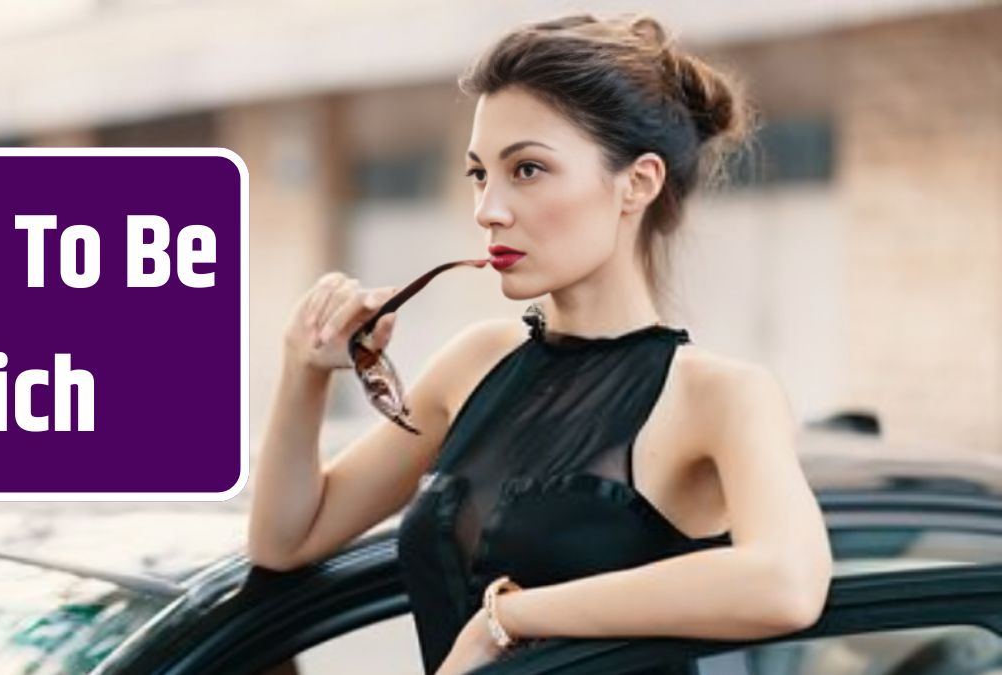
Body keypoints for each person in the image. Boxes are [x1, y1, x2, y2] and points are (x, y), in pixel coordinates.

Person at [246, 12, 833, 675]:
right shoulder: (476, 364)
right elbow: (284, 538)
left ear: (637, 183)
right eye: (479, 174)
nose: (488, 209)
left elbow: (788, 582)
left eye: (526, 169)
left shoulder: (718, 393)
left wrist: (512, 617)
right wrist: (305, 369)